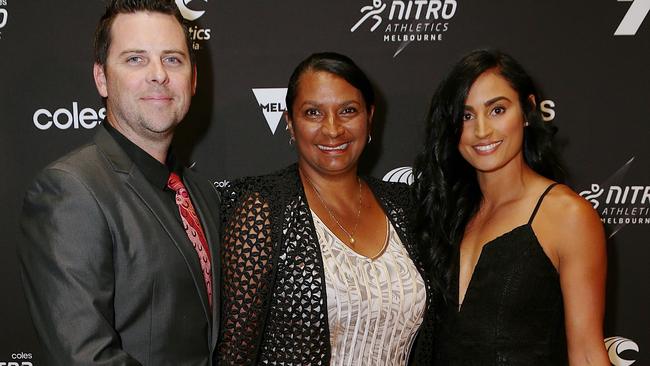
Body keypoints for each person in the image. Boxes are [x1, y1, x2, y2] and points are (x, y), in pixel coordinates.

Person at [18, 1, 221, 364]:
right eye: (135, 59)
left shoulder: (201, 193)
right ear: (101, 78)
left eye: (172, 59)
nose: (158, 74)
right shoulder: (71, 190)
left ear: (193, 79)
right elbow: (83, 357)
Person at [218, 52, 434, 365]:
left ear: (369, 116)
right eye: (313, 113)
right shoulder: (262, 209)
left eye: (348, 110)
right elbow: (235, 354)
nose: (333, 129)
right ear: (290, 123)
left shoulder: (405, 205)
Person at [413, 49, 609, 365]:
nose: (481, 131)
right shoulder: (447, 211)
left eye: (497, 110)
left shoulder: (566, 215)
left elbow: (586, 354)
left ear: (528, 111)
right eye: (466, 115)